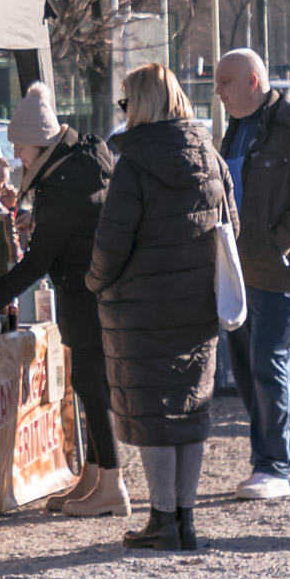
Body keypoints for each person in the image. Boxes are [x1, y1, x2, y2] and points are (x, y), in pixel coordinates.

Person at [89, 63, 235, 551]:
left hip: (141, 309)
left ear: (142, 103)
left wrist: (95, 282)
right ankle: (186, 520)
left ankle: (162, 518)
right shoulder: (211, 157)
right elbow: (231, 227)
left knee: (154, 414)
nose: (122, 111)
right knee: (191, 410)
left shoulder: (134, 163)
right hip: (197, 305)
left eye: (125, 102)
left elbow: (112, 244)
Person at [0, 83, 123, 516]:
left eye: (20, 147)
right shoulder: (78, 164)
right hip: (93, 289)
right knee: (86, 383)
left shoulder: (63, 183)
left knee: (92, 386)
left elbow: (40, 259)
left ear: (39, 145)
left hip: (85, 292)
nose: (17, 156)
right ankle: (94, 478)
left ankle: (112, 484)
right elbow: (63, 231)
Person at [214, 49, 290, 500]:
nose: (218, 91)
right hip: (242, 271)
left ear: (252, 80)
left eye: (224, 82)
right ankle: (275, 458)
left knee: (269, 363)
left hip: (283, 272)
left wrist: (276, 242)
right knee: (248, 369)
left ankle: (275, 465)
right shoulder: (235, 132)